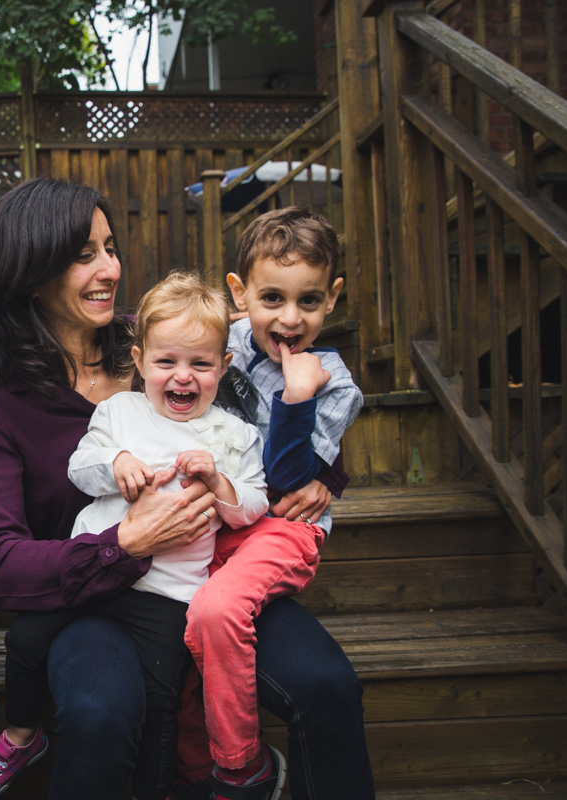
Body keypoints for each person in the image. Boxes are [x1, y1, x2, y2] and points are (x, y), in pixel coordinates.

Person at [0, 178, 374, 800]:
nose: (109, 268)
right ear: (30, 271)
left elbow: (278, 364)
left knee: (325, 684)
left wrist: (325, 475)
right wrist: (121, 545)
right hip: (103, 599)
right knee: (102, 710)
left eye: (110, 247)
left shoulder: (169, 337)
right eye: (83, 255)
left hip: (220, 571)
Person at [0, 271, 270, 799]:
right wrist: (115, 462)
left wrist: (219, 482)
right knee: (24, 639)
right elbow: (81, 466)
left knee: (161, 695)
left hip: (167, 594)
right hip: (93, 567)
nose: (182, 377)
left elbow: (252, 507)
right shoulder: (119, 412)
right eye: (166, 362)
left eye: (201, 364)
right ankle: (21, 734)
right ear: (140, 361)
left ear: (224, 366)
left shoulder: (234, 436)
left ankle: (156, 786)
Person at [176, 206, 366, 800]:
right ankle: (190, 771)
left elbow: (287, 476)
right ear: (239, 294)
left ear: (332, 298)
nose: (290, 319)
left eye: (309, 301)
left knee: (216, 611)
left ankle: (241, 768)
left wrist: (296, 395)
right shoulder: (221, 337)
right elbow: (162, 335)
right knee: (185, 643)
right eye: (272, 299)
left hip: (278, 527)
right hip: (215, 522)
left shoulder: (332, 383)